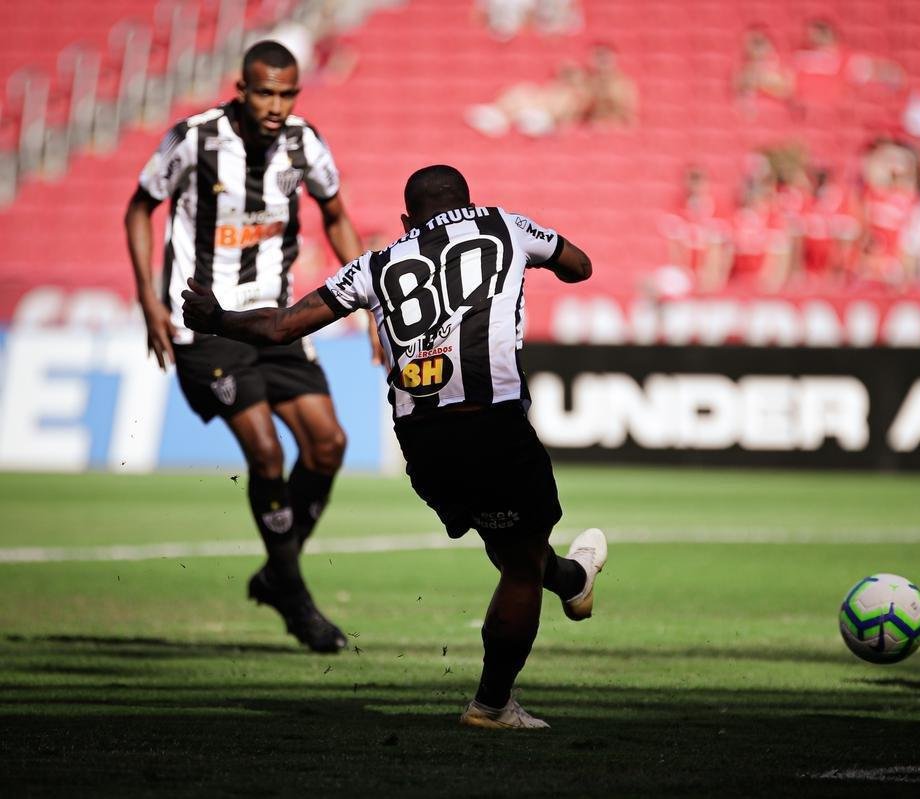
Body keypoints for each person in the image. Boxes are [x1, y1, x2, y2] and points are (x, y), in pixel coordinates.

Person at [180, 164, 608, 729]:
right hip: (494, 425)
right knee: (521, 566)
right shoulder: (505, 226)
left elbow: (282, 327)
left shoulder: (377, 262)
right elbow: (580, 266)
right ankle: (492, 705)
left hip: (424, 443)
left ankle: (574, 581)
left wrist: (218, 319)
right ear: (468, 201)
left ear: (408, 219)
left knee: (513, 550)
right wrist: (533, 260)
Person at [124, 40, 381, 654]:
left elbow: (337, 214)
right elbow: (140, 208)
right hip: (205, 325)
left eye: (287, 93)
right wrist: (148, 298)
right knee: (265, 451)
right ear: (241, 90)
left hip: (276, 321)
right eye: (265, 92)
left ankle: (276, 571)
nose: (276, 105)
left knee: (329, 444)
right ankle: (294, 596)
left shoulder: (304, 144)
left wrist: (373, 297)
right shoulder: (193, 138)